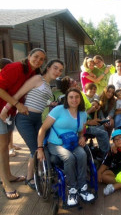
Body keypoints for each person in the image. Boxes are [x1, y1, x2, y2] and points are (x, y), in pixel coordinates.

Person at [0, 59, 64, 190]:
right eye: (55, 68)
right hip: (25, 119)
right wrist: (5, 110)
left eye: (60, 70)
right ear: (48, 67)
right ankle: (30, 178)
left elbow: (36, 99)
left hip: (37, 119)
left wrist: (50, 104)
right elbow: (19, 94)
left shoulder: (47, 84)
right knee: (35, 148)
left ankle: (35, 175)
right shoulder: (37, 79)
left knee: (39, 146)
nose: (58, 72)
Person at [0, 48, 46, 200]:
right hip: (2, 108)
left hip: (10, 112)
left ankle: (8, 175)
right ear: (28, 56)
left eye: (41, 59)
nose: (38, 60)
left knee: (6, 145)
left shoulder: (33, 74)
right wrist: (16, 104)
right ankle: (6, 183)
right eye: (36, 57)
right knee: (1, 147)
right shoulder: (15, 68)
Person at [37, 88, 95, 206]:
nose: (74, 100)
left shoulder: (82, 113)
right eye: (71, 97)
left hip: (72, 142)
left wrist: (82, 137)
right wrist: (39, 149)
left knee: (83, 154)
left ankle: (82, 188)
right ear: (67, 99)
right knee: (69, 157)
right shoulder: (58, 110)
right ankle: (72, 189)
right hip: (55, 143)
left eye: (77, 97)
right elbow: (43, 129)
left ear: (81, 99)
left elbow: (80, 132)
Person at [0, 58, 21, 157]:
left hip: (11, 110)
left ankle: (11, 146)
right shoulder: (3, 79)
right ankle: (9, 148)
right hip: (2, 110)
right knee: (3, 135)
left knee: (10, 130)